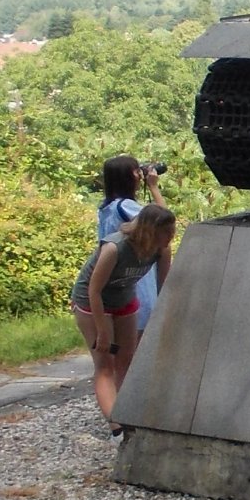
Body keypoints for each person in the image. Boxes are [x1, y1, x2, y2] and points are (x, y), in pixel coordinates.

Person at [70, 203, 178, 433]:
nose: (171, 237)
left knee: (126, 359)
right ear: (150, 231)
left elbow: (164, 287)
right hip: (92, 302)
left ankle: (128, 414)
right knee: (105, 363)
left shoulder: (161, 249)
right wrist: (102, 331)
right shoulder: (115, 247)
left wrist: (165, 323)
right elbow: (94, 290)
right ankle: (116, 425)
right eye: (166, 232)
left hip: (124, 298)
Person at [97, 154, 165, 332]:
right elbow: (164, 219)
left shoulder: (107, 207)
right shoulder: (125, 205)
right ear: (128, 178)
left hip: (116, 275)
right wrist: (153, 187)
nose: (141, 174)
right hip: (136, 277)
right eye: (137, 171)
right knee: (138, 337)